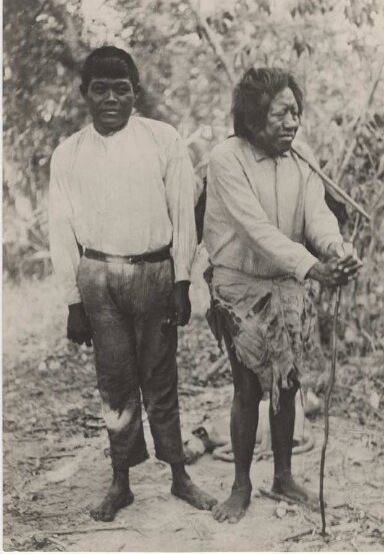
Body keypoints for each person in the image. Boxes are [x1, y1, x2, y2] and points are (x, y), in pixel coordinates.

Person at [49, 46, 217, 522]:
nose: (109, 98)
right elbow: (60, 229)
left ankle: (179, 475)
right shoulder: (68, 155)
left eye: (120, 89)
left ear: (135, 93)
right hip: (98, 277)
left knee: (161, 379)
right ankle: (121, 481)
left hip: (154, 273)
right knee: (115, 383)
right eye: (99, 89)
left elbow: (184, 214)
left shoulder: (163, 140)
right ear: (83, 94)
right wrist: (73, 301)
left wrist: (182, 280)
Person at [203, 67, 362, 524]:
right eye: (281, 114)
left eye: (296, 112)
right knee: (248, 386)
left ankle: (284, 476)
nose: (293, 122)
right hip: (240, 286)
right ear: (253, 120)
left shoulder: (302, 157)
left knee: (288, 383)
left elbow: (317, 215)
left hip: (287, 285)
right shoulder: (226, 159)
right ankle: (240, 485)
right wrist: (314, 266)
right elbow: (255, 229)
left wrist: (336, 249)